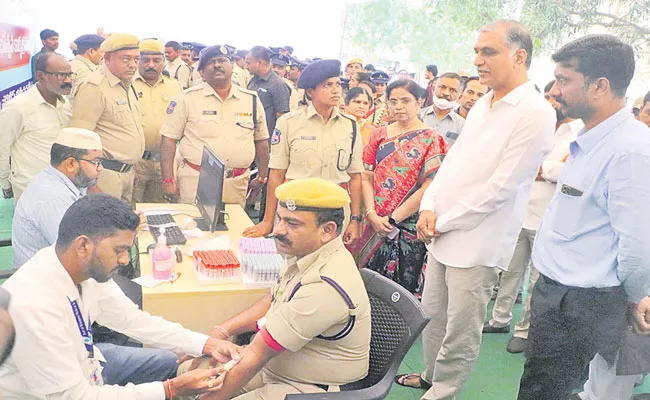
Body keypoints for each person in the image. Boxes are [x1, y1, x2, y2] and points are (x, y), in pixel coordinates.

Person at [396, 20, 555, 399]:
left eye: (488, 52)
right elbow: (453, 162)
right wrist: (430, 207)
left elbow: (502, 188)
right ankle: (431, 374)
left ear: (520, 57)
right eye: (476, 52)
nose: (478, 61)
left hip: (479, 239)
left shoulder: (535, 111)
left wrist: (442, 220)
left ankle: (444, 389)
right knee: (432, 314)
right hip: (442, 229)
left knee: (462, 326)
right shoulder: (484, 102)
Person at [0, 194, 243, 398]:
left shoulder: (83, 269)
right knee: (170, 376)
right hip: (61, 393)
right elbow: (74, 396)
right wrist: (169, 389)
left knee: (169, 361)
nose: (126, 260)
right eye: (120, 250)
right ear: (83, 245)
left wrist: (206, 344)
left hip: (89, 364)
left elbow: (132, 320)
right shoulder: (33, 306)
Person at [517, 34, 650, 400]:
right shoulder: (591, 137)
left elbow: (638, 248)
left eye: (564, 80)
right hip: (560, 295)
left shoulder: (629, 151)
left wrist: (636, 298)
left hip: (585, 303)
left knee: (551, 391)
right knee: (542, 386)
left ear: (600, 87)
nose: (556, 90)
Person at [190, 178, 371, 400]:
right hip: (277, 367)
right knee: (189, 375)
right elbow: (274, 299)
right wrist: (222, 330)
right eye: (279, 219)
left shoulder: (324, 285)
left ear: (327, 230)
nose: (278, 230)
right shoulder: (304, 252)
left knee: (200, 390)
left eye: (293, 224)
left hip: (310, 388)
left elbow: (257, 354)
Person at [481, 81, 583, 351]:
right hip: (520, 211)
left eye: (556, 97)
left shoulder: (580, 133)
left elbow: (572, 173)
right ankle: (499, 318)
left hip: (549, 219)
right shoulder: (541, 127)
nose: (552, 101)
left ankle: (524, 331)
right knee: (510, 271)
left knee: (537, 280)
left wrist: (544, 169)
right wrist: (547, 168)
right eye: (548, 96)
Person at [242, 60, 364, 247]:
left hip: (335, 213)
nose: (335, 91)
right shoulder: (289, 123)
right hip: (296, 211)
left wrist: (355, 219)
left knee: (328, 268)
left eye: (338, 85)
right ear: (310, 92)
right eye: (327, 85)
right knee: (292, 266)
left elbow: (355, 177)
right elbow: (276, 175)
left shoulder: (351, 125)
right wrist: (267, 221)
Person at [358, 79, 447, 296]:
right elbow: (366, 176)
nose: (398, 106)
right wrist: (371, 214)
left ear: (419, 103)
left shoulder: (432, 139)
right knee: (365, 283)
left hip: (408, 226)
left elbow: (429, 186)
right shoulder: (379, 134)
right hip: (373, 222)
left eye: (405, 101)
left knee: (402, 290)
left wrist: (392, 219)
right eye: (393, 101)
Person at [160, 45, 269, 207]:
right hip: (196, 180)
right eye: (211, 62)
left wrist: (262, 175)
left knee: (234, 228)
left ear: (232, 67)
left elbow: (261, 141)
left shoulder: (251, 100)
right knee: (194, 229)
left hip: (236, 182)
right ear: (202, 72)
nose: (217, 65)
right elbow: (168, 140)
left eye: (222, 61)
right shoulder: (186, 99)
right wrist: (168, 179)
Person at [12, 128, 103, 268]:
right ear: (71, 163)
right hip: (44, 283)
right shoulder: (55, 198)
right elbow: (78, 253)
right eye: (96, 162)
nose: (100, 168)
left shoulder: (64, 181)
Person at [71, 33, 145, 203]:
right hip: (105, 175)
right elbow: (79, 139)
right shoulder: (94, 87)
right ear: (107, 58)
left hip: (127, 173)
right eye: (125, 59)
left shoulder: (126, 84)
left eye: (136, 59)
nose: (133, 65)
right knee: (106, 227)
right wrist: (89, 183)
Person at [0, 53, 72, 201]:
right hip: (31, 190)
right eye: (61, 75)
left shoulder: (65, 103)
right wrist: (6, 183)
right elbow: (2, 147)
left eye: (70, 74)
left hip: (64, 185)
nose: (68, 80)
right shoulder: (18, 108)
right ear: (40, 76)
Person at [132, 39, 183, 203]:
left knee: (157, 209)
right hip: (136, 162)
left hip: (165, 163)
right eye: (145, 60)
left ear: (164, 62)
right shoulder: (127, 85)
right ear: (138, 61)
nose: (151, 65)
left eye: (157, 60)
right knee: (131, 208)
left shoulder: (175, 87)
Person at [246, 46, 291, 133]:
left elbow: (281, 118)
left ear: (259, 63)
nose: (246, 66)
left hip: (268, 139)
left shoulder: (278, 85)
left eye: (248, 63)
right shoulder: (253, 80)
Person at [419, 72, 466, 148]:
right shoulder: (417, 116)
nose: (445, 93)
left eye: (452, 90)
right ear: (433, 89)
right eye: (442, 87)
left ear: (460, 96)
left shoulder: (463, 126)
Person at [69, 34, 105, 98]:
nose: (104, 56)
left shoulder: (71, 64)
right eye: (102, 52)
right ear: (91, 51)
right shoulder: (84, 71)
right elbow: (84, 99)